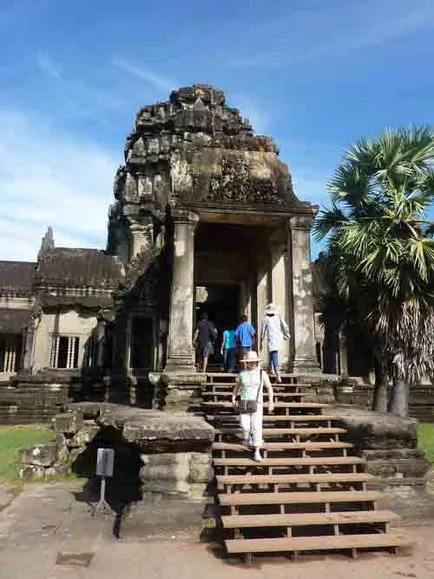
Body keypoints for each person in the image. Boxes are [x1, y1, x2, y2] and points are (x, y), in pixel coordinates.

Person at [231, 351, 274, 462]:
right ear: (247, 363)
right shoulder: (242, 374)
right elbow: (236, 388)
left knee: (257, 426)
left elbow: (269, 388)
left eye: (254, 362)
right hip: (244, 403)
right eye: (250, 362)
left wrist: (270, 401)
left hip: (257, 403)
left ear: (256, 362)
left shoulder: (262, 374)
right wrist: (233, 398)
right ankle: (248, 437)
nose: (252, 364)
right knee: (244, 425)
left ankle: (257, 451)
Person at [259, 303, 290, 383]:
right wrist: (286, 335)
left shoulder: (265, 319)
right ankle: (271, 369)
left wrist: (261, 341)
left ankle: (278, 375)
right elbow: (285, 327)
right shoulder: (278, 317)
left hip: (271, 339)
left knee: (274, 355)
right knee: (273, 354)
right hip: (279, 338)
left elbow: (262, 331)